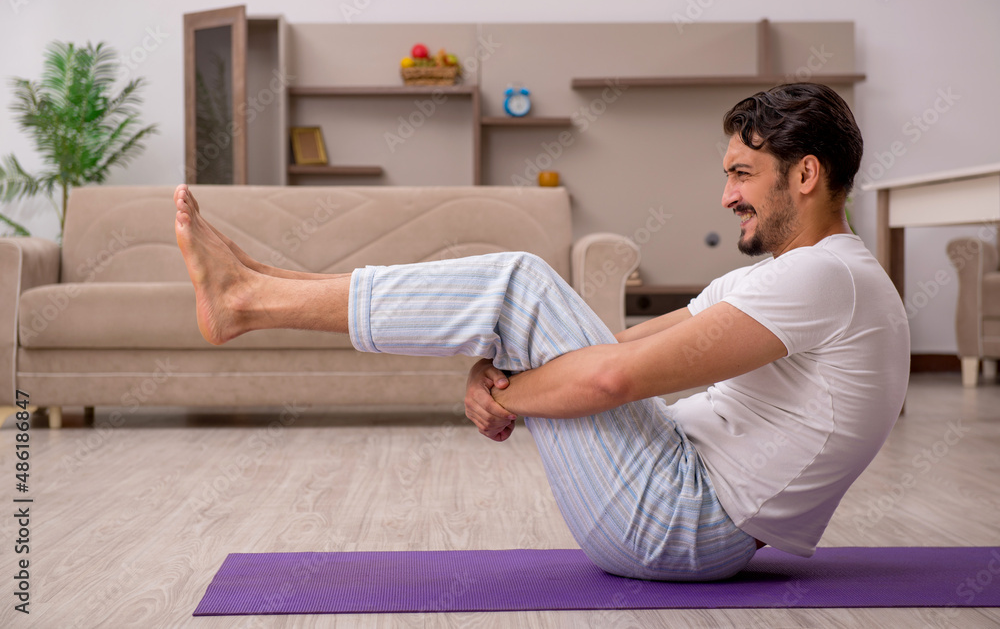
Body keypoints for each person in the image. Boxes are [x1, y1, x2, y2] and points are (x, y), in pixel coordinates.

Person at [173, 82, 909, 582]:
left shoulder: (827, 278)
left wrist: (511, 392)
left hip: (682, 523)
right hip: (675, 490)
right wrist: (503, 358)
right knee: (518, 297)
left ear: (805, 174)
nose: (726, 196)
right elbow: (621, 345)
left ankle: (248, 300)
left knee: (518, 282)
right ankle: (263, 284)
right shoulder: (785, 276)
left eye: (743, 175)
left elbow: (612, 380)